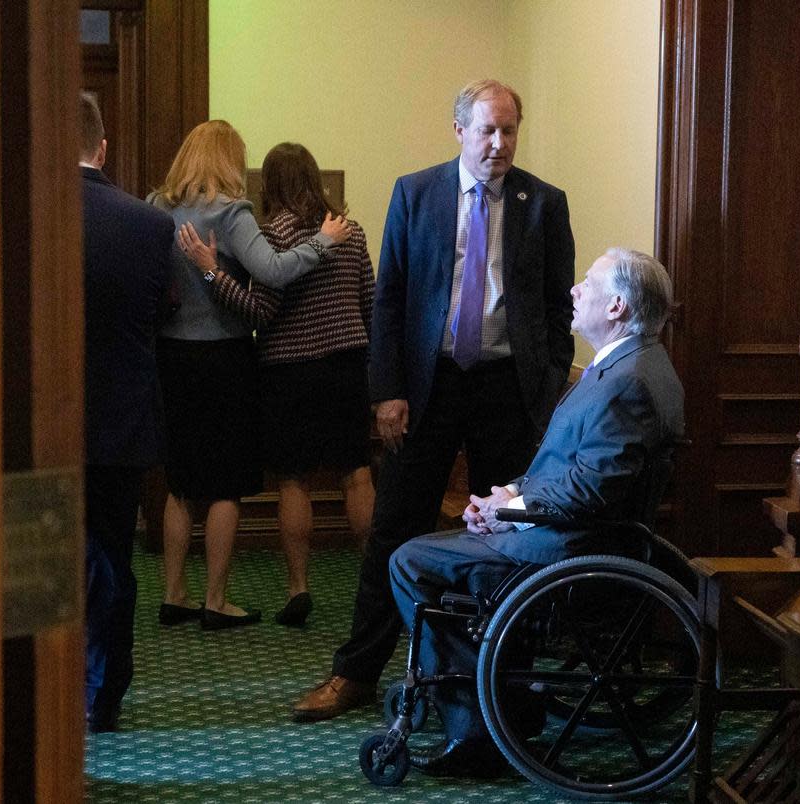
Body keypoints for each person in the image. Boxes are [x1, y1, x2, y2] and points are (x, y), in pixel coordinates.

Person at [292, 78, 575, 720]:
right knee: (395, 527)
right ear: (459, 132)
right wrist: (387, 391)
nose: (499, 144)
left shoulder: (543, 203)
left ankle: (505, 677)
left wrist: (550, 381)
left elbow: (557, 307)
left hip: (508, 390)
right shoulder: (415, 193)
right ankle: (356, 674)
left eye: (509, 131)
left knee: (510, 534)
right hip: (429, 387)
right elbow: (389, 298)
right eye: (487, 131)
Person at [389, 247, 684, 776]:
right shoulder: (630, 366)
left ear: (616, 305)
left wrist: (511, 510)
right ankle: (502, 696)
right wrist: (507, 497)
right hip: (565, 533)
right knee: (430, 551)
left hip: (568, 551)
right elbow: (570, 471)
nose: (574, 291)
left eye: (587, 284)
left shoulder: (627, 382)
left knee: (410, 561)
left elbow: (592, 491)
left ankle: (479, 727)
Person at [151, 120, 350, 630]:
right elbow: (275, 271)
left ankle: (174, 594)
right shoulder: (231, 213)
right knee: (222, 485)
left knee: (179, 482)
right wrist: (323, 242)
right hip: (224, 358)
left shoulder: (158, 208)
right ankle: (216, 600)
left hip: (171, 356)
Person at [79, 92, 175, 731]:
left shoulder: (19, 213)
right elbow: (163, 312)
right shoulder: (150, 223)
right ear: (103, 146)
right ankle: (104, 692)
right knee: (113, 553)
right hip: (122, 413)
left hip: (35, 423)